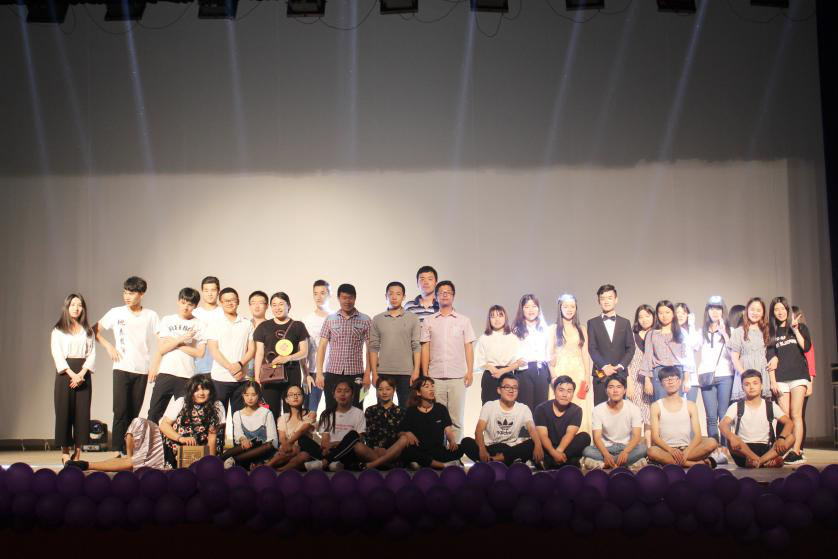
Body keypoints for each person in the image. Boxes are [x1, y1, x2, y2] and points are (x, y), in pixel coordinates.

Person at [65, 375, 225, 472]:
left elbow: (212, 437)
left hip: (194, 453)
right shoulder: (182, 401)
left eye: (204, 389)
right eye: (197, 389)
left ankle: (86, 465)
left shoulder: (217, 406)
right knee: (137, 424)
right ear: (191, 391)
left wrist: (210, 462)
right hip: (169, 444)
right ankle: (88, 464)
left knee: (133, 463)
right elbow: (164, 425)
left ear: (210, 391)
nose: (201, 393)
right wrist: (180, 438)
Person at [95, 276, 160, 455]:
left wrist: (155, 366)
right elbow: (94, 330)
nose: (127, 296)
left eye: (131, 293)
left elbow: (161, 341)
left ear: (141, 294)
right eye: (125, 292)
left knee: (134, 412)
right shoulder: (116, 312)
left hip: (142, 369)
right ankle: (117, 449)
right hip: (121, 368)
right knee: (120, 410)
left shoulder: (151, 315)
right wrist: (109, 346)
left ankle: (129, 449)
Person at [365, 377, 465, 470]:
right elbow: (399, 432)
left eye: (432, 386)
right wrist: (407, 433)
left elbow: (448, 429)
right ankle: (442, 465)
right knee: (408, 449)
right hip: (413, 451)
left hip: (437, 451)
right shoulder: (411, 411)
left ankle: (428, 463)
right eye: (427, 387)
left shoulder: (440, 408)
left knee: (467, 443)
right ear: (418, 392)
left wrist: (452, 441)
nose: (431, 389)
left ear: (394, 390)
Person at [420, 280, 476, 441]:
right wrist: (425, 373)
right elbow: (425, 347)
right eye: (441, 292)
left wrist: (470, 371)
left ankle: (455, 451)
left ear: (453, 296)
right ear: (436, 296)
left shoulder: (464, 320)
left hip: (458, 377)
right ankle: (439, 451)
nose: (444, 295)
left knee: (456, 419)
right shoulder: (429, 320)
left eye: (448, 292)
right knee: (437, 418)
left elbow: (468, 347)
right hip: (435, 377)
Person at [146, 288, 207, 424]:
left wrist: (176, 342)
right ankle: (150, 438)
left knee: (185, 416)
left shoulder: (199, 324)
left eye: (190, 304)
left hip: (187, 375)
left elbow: (200, 353)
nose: (186, 307)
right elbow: (162, 349)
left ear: (195, 306)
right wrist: (182, 338)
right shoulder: (167, 320)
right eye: (183, 302)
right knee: (154, 413)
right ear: (178, 302)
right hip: (166, 372)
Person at [460, 373, 544, 466]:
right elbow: (478, 431)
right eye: (507, 387)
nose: (511, 390)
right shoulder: (489, 406)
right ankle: (501, 460)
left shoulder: (523, 408)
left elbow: (532, 429)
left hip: (510, 449)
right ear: (499, 390)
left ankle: (494, 460)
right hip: (490, 448)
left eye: (515, 388)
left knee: (533, 443)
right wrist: (482, 450)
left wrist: (538, 445)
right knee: (466, 442)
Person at [51, 293, 96, 465]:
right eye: (73, 305)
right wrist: (72, 375)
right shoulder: (58, 330)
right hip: (65, 374)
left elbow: (92, 354)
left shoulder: (88, 330)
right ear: (67, 307)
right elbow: (57, 355)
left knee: (82, 414)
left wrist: (81, 374)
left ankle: (77, 453)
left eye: (79, 305)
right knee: (64, 411)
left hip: (83, 374)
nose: (76, 308)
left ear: (83, 308)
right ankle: (64, 452)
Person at [766, 296, 812, 464]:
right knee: (785, 417)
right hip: (781, 379)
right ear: (773, 313)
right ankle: (784, 449)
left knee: (796, 414)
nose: (780, 312)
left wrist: (796, 330)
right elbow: (770, 359)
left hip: (798, 376)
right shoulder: (772, 332)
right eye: (776, 309)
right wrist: (772, 381)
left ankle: (797, 451)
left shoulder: (800, 327)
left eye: (782, 309)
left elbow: (806, 347)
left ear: (787, 310)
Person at [206, 287, 256, 439]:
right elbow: (213, 349)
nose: (229, 303)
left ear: (238, 301)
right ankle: (217, 450)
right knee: (218, 419)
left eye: (232, 300)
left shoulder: (247, 323)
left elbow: (251, 349)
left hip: (242, 379)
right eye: (226, 300)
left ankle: (238, 451)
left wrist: (240, 366)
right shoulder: (214, 323)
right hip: (220, 378)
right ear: (221, 302)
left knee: (240, 419)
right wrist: (231, 367)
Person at [719, 369, 794, 468]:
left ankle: (758, 461)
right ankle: (763, 461)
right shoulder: (736, 406)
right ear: (742, 387)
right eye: (747, 384)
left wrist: (781, 438)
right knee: (730, 439)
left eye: (755, 383)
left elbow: (789, 423)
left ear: (761, 385)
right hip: (743, 450)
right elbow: (722, 424)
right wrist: (731, 436)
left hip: (766, 448)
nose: (751, 387)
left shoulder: (770, 405)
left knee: (791, 438)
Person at [647, 366, 719, 468]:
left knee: (712, 442)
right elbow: (655, 437)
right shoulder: (656, 406)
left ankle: (673, 462)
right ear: (661, 384)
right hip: (666, 450)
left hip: (688, 448)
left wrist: (686, 452)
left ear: (680, 382)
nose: (670, 381)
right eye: (666, 379)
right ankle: (695, 464)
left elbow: (698, 436)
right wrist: (671, 450)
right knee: (651, 451)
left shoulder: (690, 405)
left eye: (673, 378)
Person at [253, 292, 309, 419]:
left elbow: (304, 352)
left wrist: (287, 358)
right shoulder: (263, 327)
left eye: (281, 304)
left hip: (292, 373)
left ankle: (290, 432)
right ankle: (273, 433)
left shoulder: (298, 326)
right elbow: (259, 353)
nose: (277, 308)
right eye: (274, 305)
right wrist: (257, 378)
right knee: (270, 412)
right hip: (270, 375)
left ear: (289, 305)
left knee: (292, 412)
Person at [315, 284, 371, 409]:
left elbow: (370, 349)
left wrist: (368, 375)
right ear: (338, 298)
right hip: (332, 372)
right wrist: (319, 373)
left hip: (357, 373)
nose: (347, 301)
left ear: (355, 298)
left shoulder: (366, 320)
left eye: (350, 298)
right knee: (330, 408)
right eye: (344, 298)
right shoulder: (330, 319)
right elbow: (322, 347)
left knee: (358, 407)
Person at [370, 281, 421, 407]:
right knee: (383, 410)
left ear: (403, 297)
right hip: (383, 371)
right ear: (386, 296)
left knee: (406, 409)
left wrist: (416, 371)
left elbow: (416, 346)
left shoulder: (413, 318)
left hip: (406, 372)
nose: (394, 297)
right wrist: (374, 373)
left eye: (398, 294)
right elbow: (373, 347)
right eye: (391, 294)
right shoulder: (377, 319)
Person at [696, 296, 735, 461]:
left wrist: (725, 333)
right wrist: (690, 326)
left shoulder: (730, 330)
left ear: (723, 311)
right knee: (711, 416)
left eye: (718, 308)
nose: (715, 312)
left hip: (725, 375)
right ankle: (714, 448)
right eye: (711, 308)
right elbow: (692, 346)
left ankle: (725, 449)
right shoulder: (701, 332)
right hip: (706, 376)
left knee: (723, 415)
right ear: (707, 311)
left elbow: (734, 351)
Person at [581, 376, 647, 471]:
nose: (615, 390)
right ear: (606, 391)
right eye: (611, 387)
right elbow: (597, 437)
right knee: (587, 450)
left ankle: (604, 464)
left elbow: (636, 436)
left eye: (619, 387)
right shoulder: (598, 409)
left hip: (626, 447)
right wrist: (606, 455)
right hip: (606, 447)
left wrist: (626, 452)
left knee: (643, 449)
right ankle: (627, 464)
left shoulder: (634, 409)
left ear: (624, 390)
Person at [549, 294, 592, 433]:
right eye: (566, 306)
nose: (569, 309)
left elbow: (585, 354)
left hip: (579, 373)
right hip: (560, 372)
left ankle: (580, 439)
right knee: (560, 407)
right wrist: (553, 376)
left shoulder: (582, 328)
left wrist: (587, 376)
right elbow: (549, 355)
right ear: (560, 308)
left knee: (579, 405)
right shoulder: (553, 328)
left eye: (572, 306)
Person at [586, 284, 635, 406]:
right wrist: (604, 366)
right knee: (600, 409)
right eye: (602, 298)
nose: (606, 301)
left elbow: (630, 348)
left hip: (620, 374)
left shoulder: (625, 322)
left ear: (616, 300)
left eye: (610, 297)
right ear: (598, 301)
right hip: (601, 374)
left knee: (620, 411)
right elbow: (592, 348)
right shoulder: (592, 323)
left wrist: (621, 366)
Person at [316, 380, 378, 471]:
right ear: (334, 394)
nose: (342, 394)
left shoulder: (358, 413)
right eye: (339, 391)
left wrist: (336, 444)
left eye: (347, 391)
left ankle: (327, 462)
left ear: (352, 395)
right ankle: (336, 463)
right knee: (303, 440)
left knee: (353, 435)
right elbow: (325, 440)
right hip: (330, 450)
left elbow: (359, 438)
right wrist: (327, 447)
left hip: (349, 451)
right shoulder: (327, 414)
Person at [534, 376, 592, 469]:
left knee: (585, 437)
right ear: (554, 391)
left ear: (573, 394)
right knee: (532, 443)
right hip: (547, 447)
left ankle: (550, 463)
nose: (565, 395)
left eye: (569, 391)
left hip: (566, 447)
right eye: (561, 390)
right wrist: (553, 453)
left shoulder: (576, 410)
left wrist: (558, 452)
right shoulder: (541, 409)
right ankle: (567, 462)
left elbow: (570, 434)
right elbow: (543, 435)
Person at [639, 300, 692, 402]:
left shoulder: (681, 332)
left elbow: (686, 356)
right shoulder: (652, 334)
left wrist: (686, 379)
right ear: (657, 315)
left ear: (673, 314)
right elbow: (647, 357)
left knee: (677, 406)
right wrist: (647, 380)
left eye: (667, 312)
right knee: (660, 406)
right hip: (659, 373)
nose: (664, 316)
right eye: (660, 313)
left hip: (677, 372)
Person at [222, 380, 278, 469]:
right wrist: (243, 439)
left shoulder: (266, 413)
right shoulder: (237, 414)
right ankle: (219, 459)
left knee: (268, 445)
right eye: (247, 395)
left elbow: (273, 440)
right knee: (241, 446)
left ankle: (233, 460)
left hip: (262, 452)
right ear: (243, 395)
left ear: (258, 395)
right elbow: (238, 435)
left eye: (253, 395)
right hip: (246, 451)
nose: (250, 398)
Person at [473, 305, 523, 405]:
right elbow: (479, 360)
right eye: (493, 316)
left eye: (500, 315)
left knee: (508, 407)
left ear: (505, 317)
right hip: (490, 375)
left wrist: (503, 371)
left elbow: (520, 361)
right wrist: (491, 368)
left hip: (508, 375)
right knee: (488, 406)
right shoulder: (484, 337)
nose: (497, 319)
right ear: (489, 319)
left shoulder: (513, 337)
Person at [267, 385, 321, 472]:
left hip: (303, 450)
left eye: (298, 394)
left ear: (303, 398)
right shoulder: (283, 418)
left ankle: (280, 469)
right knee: (283, 452)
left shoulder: (310, 415)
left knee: (303, 455)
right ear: (286, 400)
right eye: (291, 395)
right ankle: (267, 466)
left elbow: (301, 431)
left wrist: (288, 444)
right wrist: (285, 445)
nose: (295, 397)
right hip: (286, 451)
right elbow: (282, 437)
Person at [512, 294, 551, 412]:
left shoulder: (545, 328)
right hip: (524, 371)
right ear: (522, 309)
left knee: (541, 408)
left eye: (534, 306)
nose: (531, 310)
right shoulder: (516, 329)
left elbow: (549, 350)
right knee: (525, 407)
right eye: (527, 307)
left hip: (542, 370)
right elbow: (512, 352)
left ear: (538, 308)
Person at [728, 297, 770, 401]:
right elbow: (734, 358)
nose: (755, 313)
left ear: (763, 313)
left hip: (762, 372)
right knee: (744, 408)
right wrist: (745, 376)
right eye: (752, 309)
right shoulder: (739, 332)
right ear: (747, 311)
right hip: (744, 372)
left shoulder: (766, 331)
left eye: (758, 310)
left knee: (762, 407)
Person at [302, 280, 331, 415]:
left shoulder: (336, 317)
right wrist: (306, 374)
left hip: (333, 371)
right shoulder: (307, 320)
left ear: (329, 294)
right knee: (309, 412)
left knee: (334, 411)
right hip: (313, 371)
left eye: (322, 293)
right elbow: (302, 350)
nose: (319, 297)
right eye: (316, 293)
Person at [626, 304, 654, 447]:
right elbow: (627, 361)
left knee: (650, 417)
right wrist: (629, 382)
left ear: (653, 316)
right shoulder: (631, 335)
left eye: (647, 316)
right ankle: (634, 450)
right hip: (635, 380)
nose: (644, 319)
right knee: (635, 417)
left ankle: (649, 449)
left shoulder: (657, 334)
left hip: (652, 380)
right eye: (641, 316)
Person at [792, 306, 815, 456]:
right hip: (788, 380)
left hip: (803, 380)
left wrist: (811, 382)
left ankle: (799, 448)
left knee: (799, 415)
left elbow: (810, 359)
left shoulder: (803, 332)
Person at [364, 376, 407, 451]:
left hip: (395, 452)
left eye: (388, 389)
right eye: (380, 389)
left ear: (394, 390)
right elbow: (368, 435)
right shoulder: (370, 411)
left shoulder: (401, 411)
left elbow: (402, 435)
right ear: (377, 391)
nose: (384, 392)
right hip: (374, 452)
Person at [193, 276, 222, 375]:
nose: (210, 294)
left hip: (220, 362)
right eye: (206, 290)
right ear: (202, 291)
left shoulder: (224, 313)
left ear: (218, 291)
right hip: (198, 363)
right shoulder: (195, 313)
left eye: (213, 290)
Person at [675, 302, 700, 402]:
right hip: (677, 376)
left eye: (684, 313)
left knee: (691, 407)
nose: (680, 315)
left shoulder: (688, 331)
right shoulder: (672, 332)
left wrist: (691, 325)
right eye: (678, 312)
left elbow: (695, 345)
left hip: (691, 377)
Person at [246, 290, 269, 378]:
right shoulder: (243, 325)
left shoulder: (271, 326)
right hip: (245, 370)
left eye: (260, 303)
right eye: (253, 303)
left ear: (267, 306)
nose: (256, 306)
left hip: (265, 369)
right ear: (249, 306)